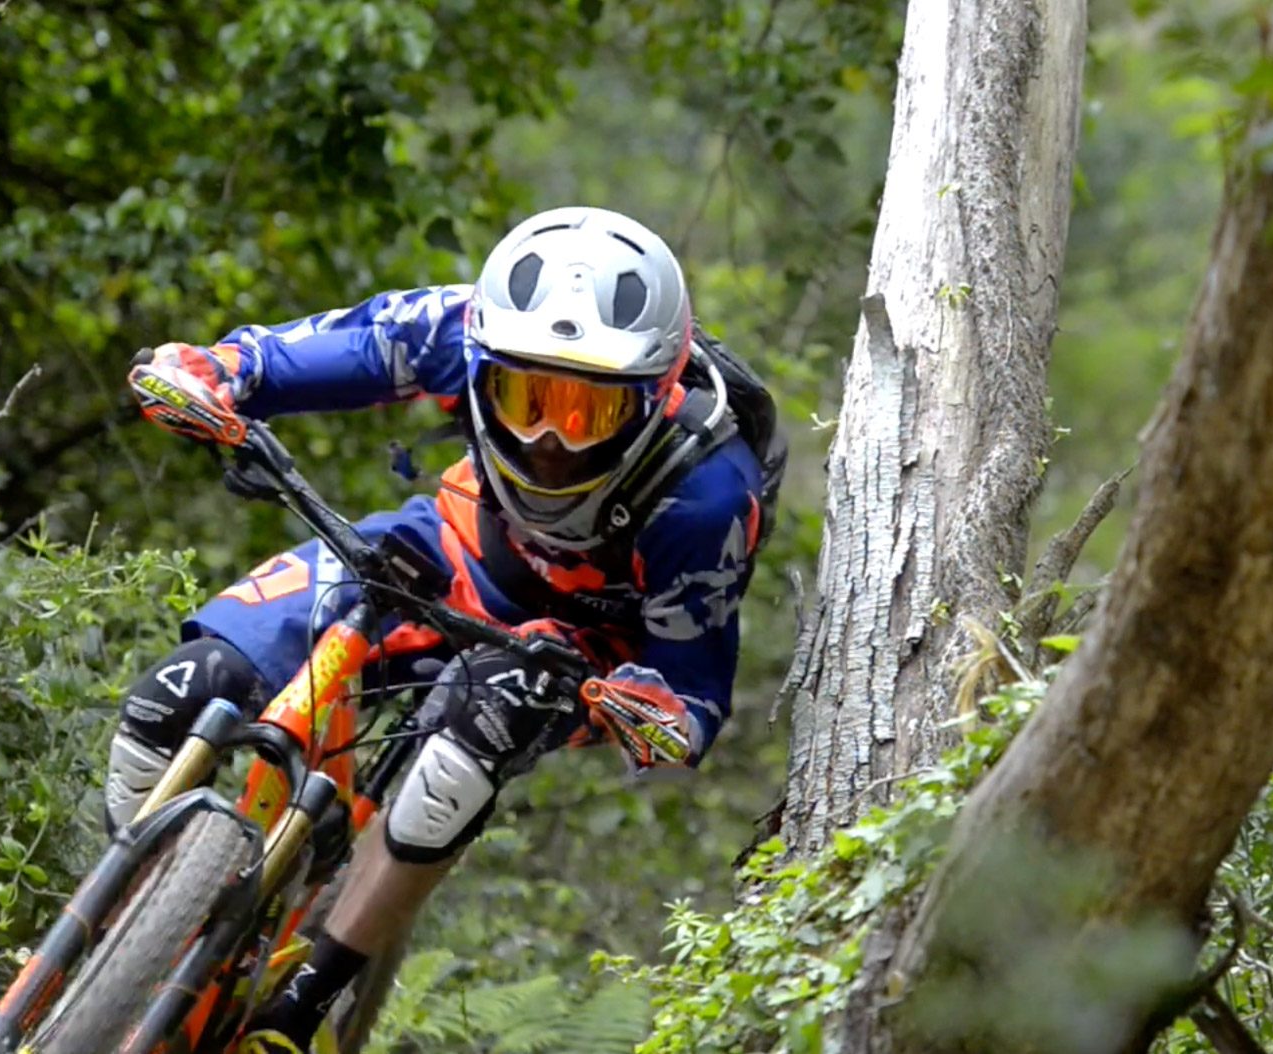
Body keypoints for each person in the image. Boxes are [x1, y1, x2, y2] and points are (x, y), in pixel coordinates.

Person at [103, 207, 782, 1054]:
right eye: (525, 396)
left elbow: (691, 691)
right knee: (185, 686)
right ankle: (125, 931)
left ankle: (302, 1010)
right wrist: (212, 374)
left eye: (586, 411)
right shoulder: (457, 328)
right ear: (482, 361)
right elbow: (287, 358)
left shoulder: (708, 494)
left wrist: (645, 710)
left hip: (575, 647)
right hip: (447, 547)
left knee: (466, 752)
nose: (547, 440)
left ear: (655, 394)